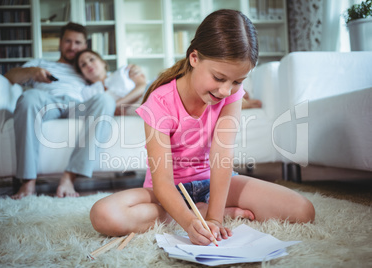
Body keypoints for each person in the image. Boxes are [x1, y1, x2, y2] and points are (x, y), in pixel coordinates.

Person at [89, 9, 315, 246]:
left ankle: (207, 210)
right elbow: (163, 181)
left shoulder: (231, 95)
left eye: (237, 81)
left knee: (302, 211)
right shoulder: (159, 102)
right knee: (104, 215)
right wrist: (188, 221)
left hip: (212, 183)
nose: (226, 91)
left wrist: (215, 218)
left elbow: (222, 155)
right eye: (219, 78)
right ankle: (194, 212)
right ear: (194, 58)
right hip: (167, 192)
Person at [5, 22, 116, 199]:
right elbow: (9, 77)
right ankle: (28, 182)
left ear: (85, 46)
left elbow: (110, 81)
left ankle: (69, 176)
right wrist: (33, 72)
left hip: (77, 106)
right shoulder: (40, 63)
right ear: (60, 42)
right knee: (29, 97)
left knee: (106, 99)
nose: (73, 46)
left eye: (78, 43)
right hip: (46, 103)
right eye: (68, 41)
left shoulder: (84, 68)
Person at [74, 49, 147, 115]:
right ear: (83, 74)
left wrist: (116, 105)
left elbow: (143, 87)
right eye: (83, 65)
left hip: (143, 101)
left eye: (91, 59)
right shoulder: (86, 92)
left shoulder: (124, 71)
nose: (88, 65)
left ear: (103, 62)